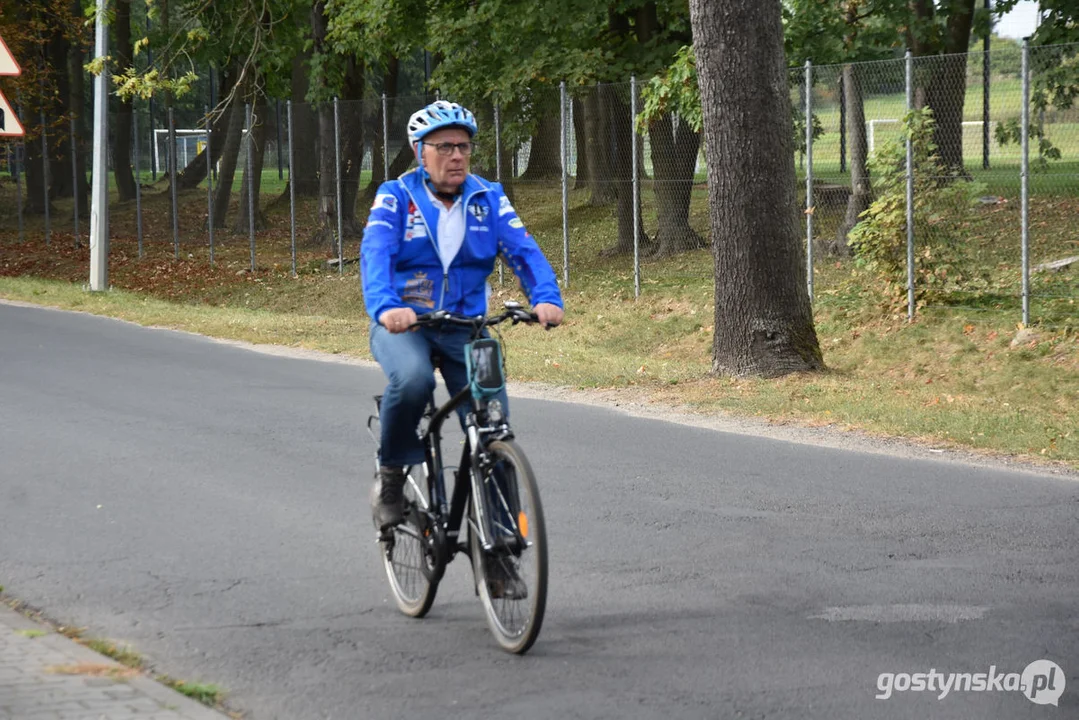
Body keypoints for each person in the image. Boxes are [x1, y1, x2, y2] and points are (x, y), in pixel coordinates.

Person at [361, 100, 564, 533]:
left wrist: (546, 296)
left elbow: (523, 250)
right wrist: (385, 307)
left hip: (466, 326)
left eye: (464, 147)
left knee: (493, 428)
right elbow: (375, 254)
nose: (457, 155)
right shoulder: (395, 196)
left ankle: (503, 552)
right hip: (406, 323)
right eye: (445, 146)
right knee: (413, 379)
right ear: (421, 151)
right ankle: (392, 475)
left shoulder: (487, 197)